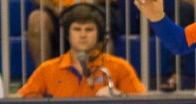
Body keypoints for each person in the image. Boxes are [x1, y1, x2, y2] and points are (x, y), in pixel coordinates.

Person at [18, 3, 146, 97]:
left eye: (89, 29)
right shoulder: (47, 69)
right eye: (77, 29)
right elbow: (20, 100)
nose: (83, 35)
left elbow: (143, 103)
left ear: (99, 35)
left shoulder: (119, 67)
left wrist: (121, 96)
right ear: (68, 34)